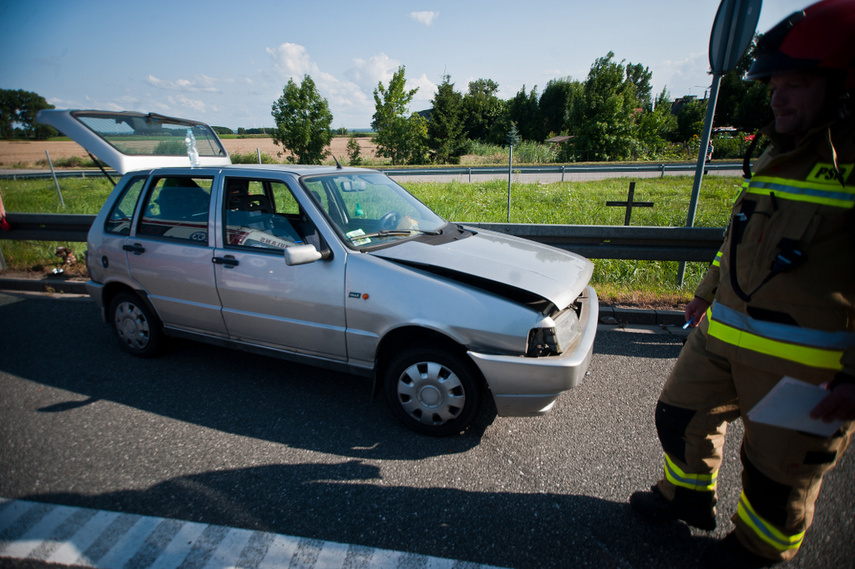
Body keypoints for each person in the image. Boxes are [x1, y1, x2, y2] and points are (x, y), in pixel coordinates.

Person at [629, 1, 855, 567]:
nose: (778, 98)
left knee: (777, 473)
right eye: (775, 85)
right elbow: (739, 238)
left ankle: (758, 552)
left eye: (796, 84)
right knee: (678, 415)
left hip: (805, 366)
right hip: (723, 333)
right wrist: (706, 292)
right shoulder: (780, 157)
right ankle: (685, 497)